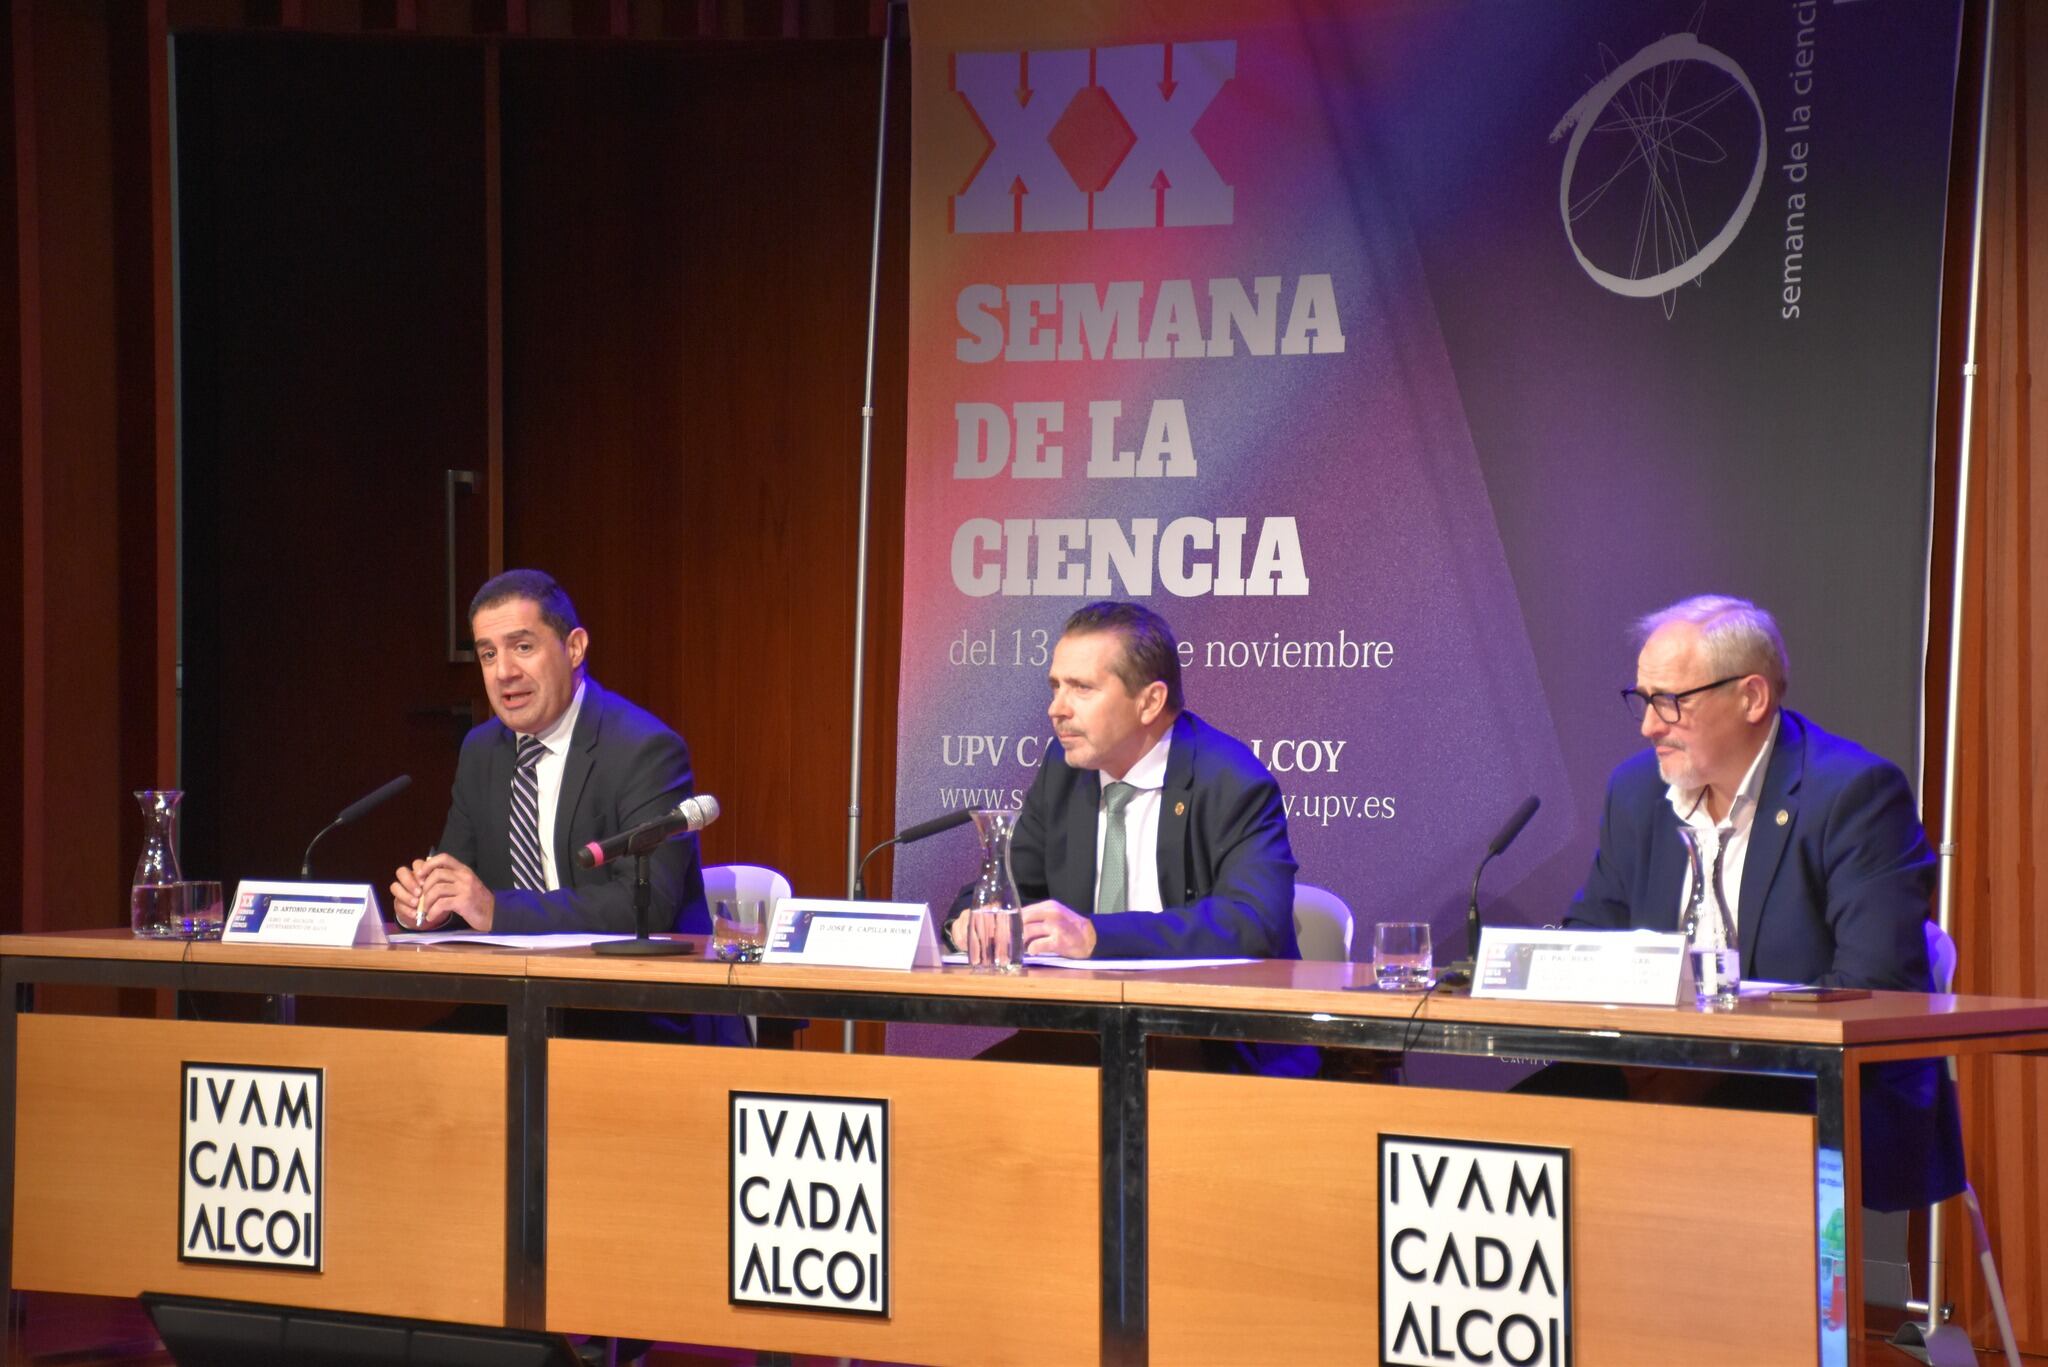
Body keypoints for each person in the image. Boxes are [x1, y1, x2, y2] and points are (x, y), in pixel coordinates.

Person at [1563, 594, 1962, 1212]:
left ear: (1751, 697)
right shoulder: (1636, 791)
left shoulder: (1854, 795)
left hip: (1803, 1086)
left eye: (1669, 701)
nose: (1648, 726)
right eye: (1642, 700)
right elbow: (1595, 934)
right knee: (1521, 1116)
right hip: (1658, 1075)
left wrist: (1710, 1062)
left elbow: (1876, 987)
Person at [949, 600, 1301, 962]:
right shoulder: (1064, 770)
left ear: (1150, 702)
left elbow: (1254, 923)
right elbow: (1010, 886)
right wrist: (967, 921)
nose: (1056, 708)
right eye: (1056, 687)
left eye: (1082, 688)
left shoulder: (1230, 781)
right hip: (1079, 1010)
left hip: (1207, 1011)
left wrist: (1098, 936)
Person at [390, 569, 709, 938]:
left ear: (574, 648)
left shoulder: (643, 749)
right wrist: (432, 905)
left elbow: (647, 904)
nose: (504, 672)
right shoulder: (481, 750)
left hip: (622, 985)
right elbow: (465, 888)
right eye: (489, 654)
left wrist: (498, 911)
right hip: (512, 989)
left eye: (522, 647)